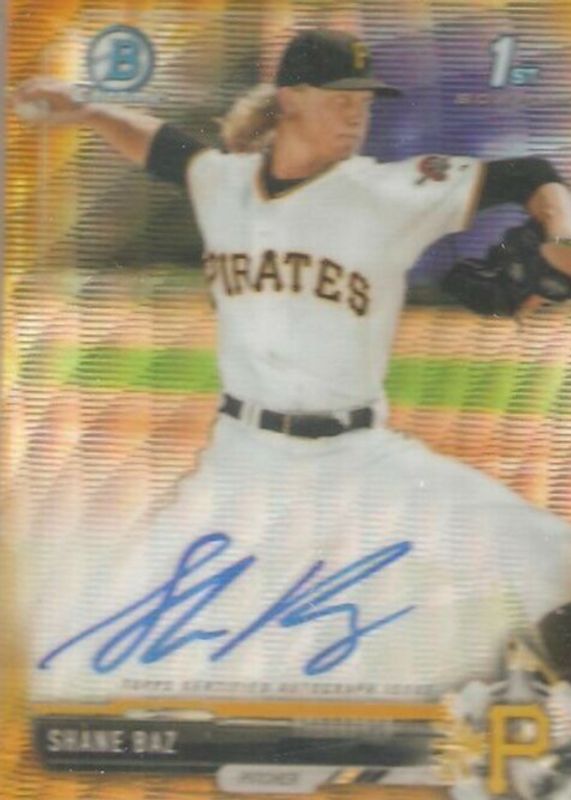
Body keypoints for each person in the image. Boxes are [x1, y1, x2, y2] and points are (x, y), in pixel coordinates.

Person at [14, 29, 571, 702]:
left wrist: (561, 235)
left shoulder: (387, 190)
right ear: (290, 98)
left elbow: (531, 174)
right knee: (92, 647)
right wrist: (86, 110)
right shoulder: (222, 182)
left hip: (359, 460)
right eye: (340, 98)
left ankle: (542, 713)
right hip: (241, 464)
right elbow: (159, 145)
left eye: (364, 100)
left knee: (554, 556)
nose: (357, 112)